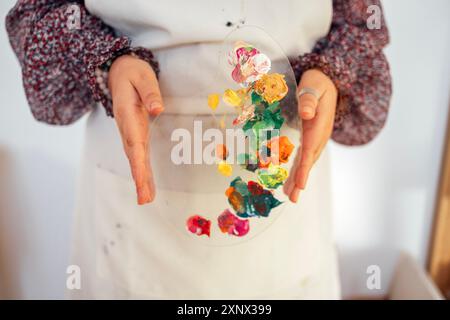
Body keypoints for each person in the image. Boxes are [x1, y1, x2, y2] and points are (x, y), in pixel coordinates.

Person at [6, 0, 391, 299]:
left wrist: (330, 71)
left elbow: (361, 24)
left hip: (283, 200)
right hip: (131, 225)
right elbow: (42, 12)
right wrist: (108, 60)